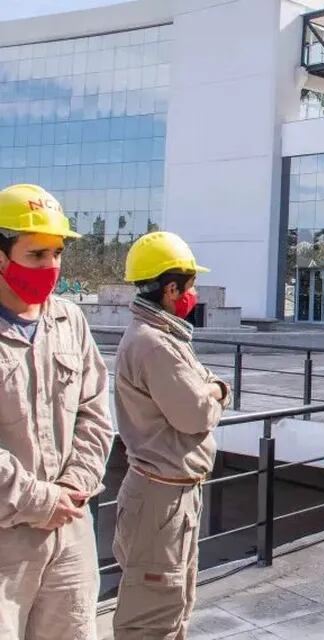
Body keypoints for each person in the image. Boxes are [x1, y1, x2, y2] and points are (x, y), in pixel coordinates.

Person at [0, 184, 113, 639]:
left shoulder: (69, 321)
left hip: (70, 533)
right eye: (36, 255)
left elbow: (95, 412)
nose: (51, 266)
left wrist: (72, 488)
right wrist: (39, 500)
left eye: (57, 253)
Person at [112, 231, 231, 638]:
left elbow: (199, 386)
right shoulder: (155, 344)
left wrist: (208, 388)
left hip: (168, 496)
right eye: (190, 286)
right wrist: (219, 391)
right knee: (152, 619)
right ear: (171, 288)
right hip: (160, 500)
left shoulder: (163, 335)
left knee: (173, 605)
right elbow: (197, 411)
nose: (193, 295)